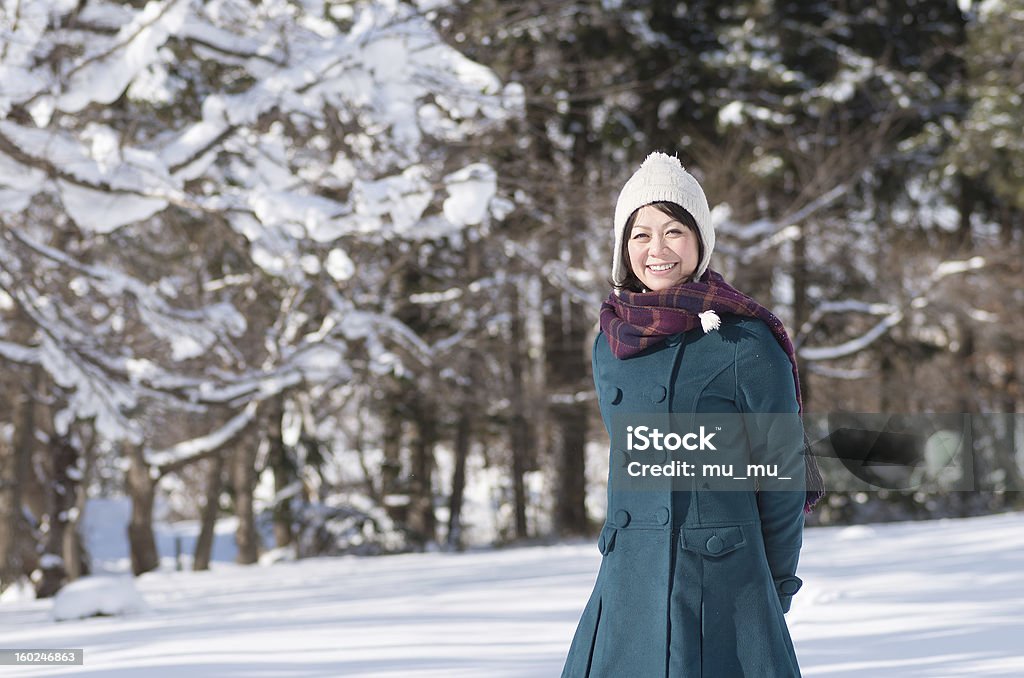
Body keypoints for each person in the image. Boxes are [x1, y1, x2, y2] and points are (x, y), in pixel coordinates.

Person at [561, 152, 823, 677]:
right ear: (623, 248)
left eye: (674, 231)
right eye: (640, 234)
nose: (656, 249)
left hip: (723, 589)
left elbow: (782, 476)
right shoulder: (610, 344)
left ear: (700, 241)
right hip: (627, 586)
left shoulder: (743, 340)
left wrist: (772, 589)